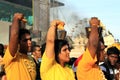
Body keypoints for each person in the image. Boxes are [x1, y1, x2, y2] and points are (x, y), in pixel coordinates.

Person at [3, 13, 36, 80]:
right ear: (18, 43)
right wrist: (16, 18)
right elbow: (15, 35)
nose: (29, 42)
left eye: (30, 39)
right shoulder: (12, 56)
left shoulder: (31, 59)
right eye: (25, 40)